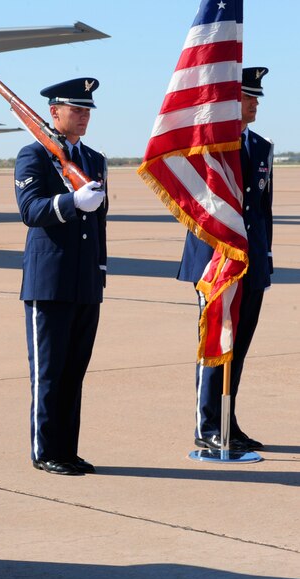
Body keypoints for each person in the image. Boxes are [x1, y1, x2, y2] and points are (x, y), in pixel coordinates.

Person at [14, 78, 108, 476]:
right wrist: (71, 202)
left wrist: (100, 270)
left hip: (85, 280)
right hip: (49, 280)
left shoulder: (94, 159)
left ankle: (68, 450)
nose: (83, 116)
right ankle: (46, 451)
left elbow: (99, 223)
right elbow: (30, 210)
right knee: (49, 373)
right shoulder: (33, 155)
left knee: (74, 372)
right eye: (76, 109)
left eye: (87, 110)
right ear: (54, 112)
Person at [177, 67, 273, 452]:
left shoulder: (260, 146)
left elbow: (262, 211)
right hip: (214, 263)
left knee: (240, 345)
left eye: (255, 98)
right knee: (216, 340)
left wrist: (264, 258)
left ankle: (228, 421)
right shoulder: (209, 147)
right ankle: (207, 424)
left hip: (250, 261)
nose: (254, 104)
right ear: (232, 101)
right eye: (249, 97)